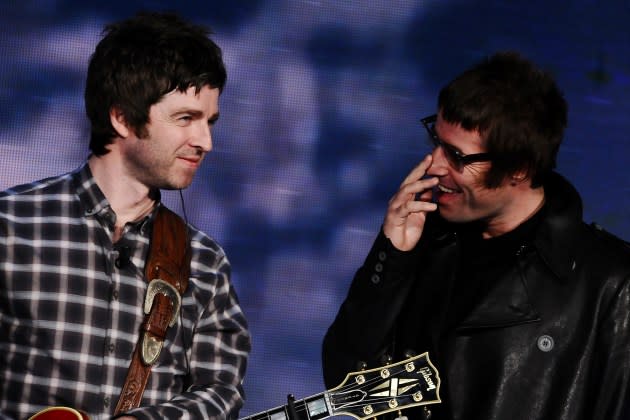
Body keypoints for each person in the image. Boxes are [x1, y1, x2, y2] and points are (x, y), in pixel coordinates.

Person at [322, 51, 630, 420]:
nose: (434, 165)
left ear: (518, 168)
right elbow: (349, 387)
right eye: (435, 141)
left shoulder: (611, 285)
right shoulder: (425, 242)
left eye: (456, 155)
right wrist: (390, 260)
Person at [0, 12, 250, 420]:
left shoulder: (205, 263)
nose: (205, 141)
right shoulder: (11, 227)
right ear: (122, 117)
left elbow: (220, 393)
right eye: (186, 118)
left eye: (210, 122)